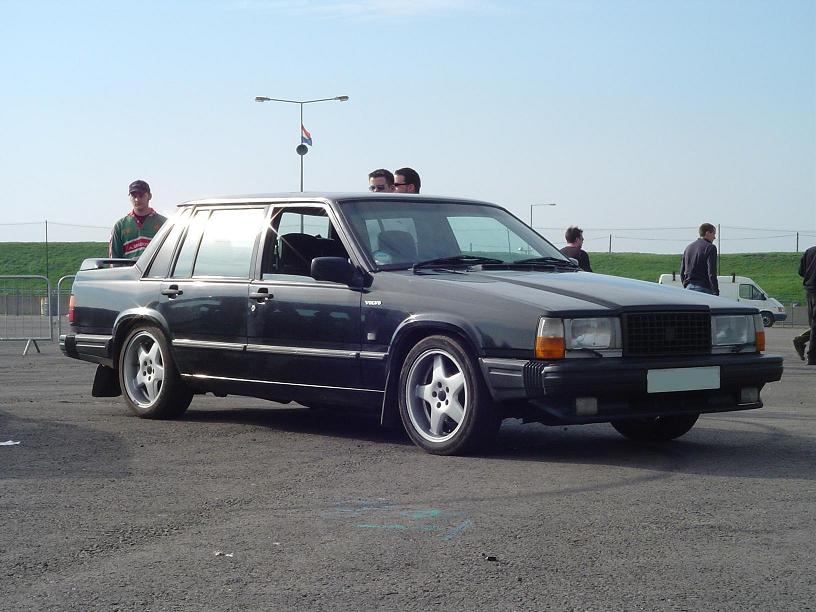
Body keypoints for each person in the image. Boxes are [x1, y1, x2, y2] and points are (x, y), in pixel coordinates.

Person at [109, 180, 167, 259]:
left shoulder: (164, 223)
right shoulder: (120, 226)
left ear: (149, 196)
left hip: (157, 270)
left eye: (141, 195)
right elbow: (114, 259)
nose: (137, 199)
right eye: (134, 196)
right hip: (129, 270)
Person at [793, 244, 816, 364]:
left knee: (814, 323)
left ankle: (801, 340)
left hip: (809, 291)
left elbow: (801, 272)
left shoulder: (809, 251)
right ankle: (812, 357)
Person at [681, 223, 719, 295]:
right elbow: (711, 272)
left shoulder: (688, 247)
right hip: (704, 288)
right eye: (714, 234)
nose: (714, 237)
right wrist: (715, 291)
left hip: (688, 288)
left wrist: (685, 285)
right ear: (707, 233)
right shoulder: (710, 247)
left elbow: (682, 271)